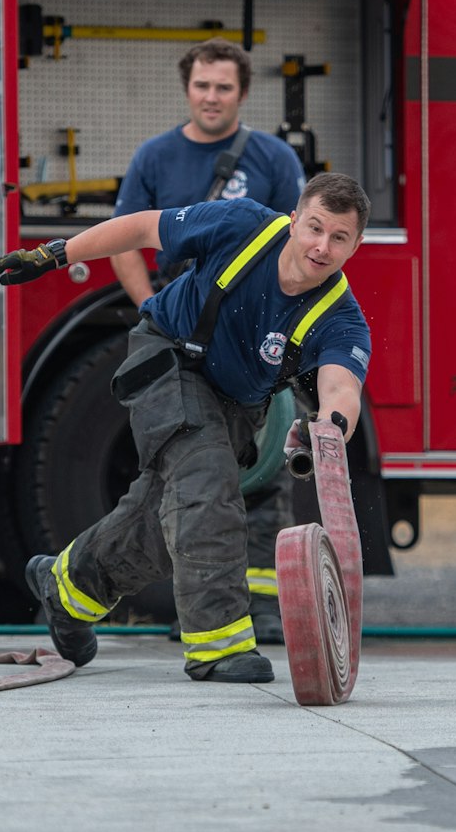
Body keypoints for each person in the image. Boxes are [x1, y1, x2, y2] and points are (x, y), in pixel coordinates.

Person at [0, 172, 373, 682]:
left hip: (233, 407)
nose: (322, 246)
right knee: (207, 487)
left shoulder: (343, 320)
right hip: (168, 358)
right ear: (295, 219)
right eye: (315, 228)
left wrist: (327, 427)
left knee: (162, 519)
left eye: (338, 237)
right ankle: (219, 647)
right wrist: (55, 253)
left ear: (356, 245)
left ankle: (66, 590)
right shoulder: (243, 224)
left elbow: (342, 389)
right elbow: (144, 228)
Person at [108, 38, 307, 642]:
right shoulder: (155, 157)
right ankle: (203, 606)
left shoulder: (272, 159)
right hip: (180, 341)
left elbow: (301, 249)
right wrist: (149, 307)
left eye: (223, 87)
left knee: (264, 471)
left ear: (241, 93)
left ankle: (264, 609)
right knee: (189, 475)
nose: (212, 97)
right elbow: (124, 236)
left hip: (253, 341)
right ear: (186, 89)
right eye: (202, 86)